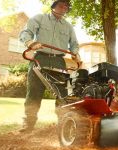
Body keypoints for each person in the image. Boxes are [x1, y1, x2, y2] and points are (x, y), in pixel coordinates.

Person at [19, 0, 80, 133]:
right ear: (54, 6)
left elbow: (74, 43)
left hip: (59, 61)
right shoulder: (40, 18)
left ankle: (62, 123)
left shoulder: (68, 26)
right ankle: (28, 124)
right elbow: (26, 32)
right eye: (61, 5)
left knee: (62, 94)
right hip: (40, 58)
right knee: (34, 91)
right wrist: (30, 42)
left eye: (66, 6)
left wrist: (75, 53)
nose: (64, 8)